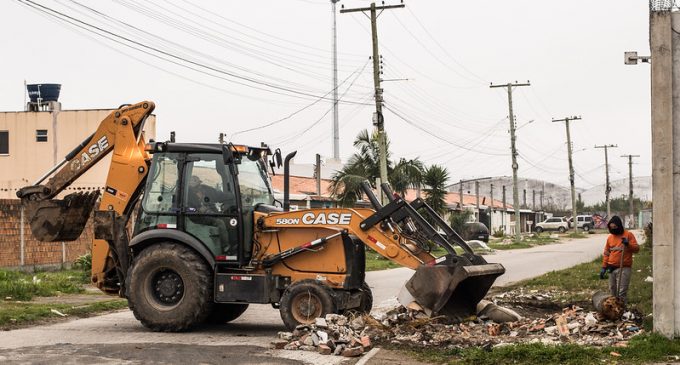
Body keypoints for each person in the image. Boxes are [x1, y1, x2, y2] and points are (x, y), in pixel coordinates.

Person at [186, 175, 233, 255]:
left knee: (229, 221)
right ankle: (225, 247)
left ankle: (233, 244)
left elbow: (220, 195)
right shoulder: (186, 194)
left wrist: (234, 196)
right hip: (197, 218)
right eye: (195, 187)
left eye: (198, 185)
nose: (198, 188)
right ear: (190, 187)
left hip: (210, 213)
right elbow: (186, 209)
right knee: (220, 223)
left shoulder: (207, 190)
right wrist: (197, 210)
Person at [599, 215, 639, 304]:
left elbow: (636, 249)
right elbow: (606, 253)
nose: (613, 229)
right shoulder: (610, 238)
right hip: (611, 267)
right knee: (612, 291)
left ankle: (622, 311)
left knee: (621, 292)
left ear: (619, 226)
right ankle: (613, 310)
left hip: (623, 268)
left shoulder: (628, 235)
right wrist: (604, 267)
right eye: (611, 227)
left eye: (615, 227)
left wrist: (628, 244)